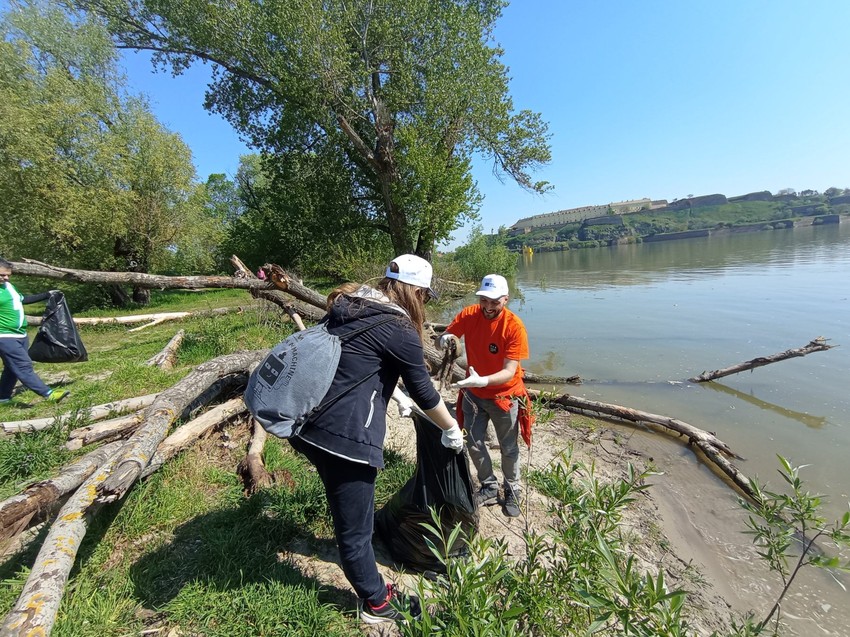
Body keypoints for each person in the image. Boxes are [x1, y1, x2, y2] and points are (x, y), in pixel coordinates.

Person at [289, 254, 463, 625]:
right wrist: (451, 428)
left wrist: (391, 392)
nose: (425, 302)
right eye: (425, 296)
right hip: (342, 438)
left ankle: (366, 574)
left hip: (305, 424)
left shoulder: (351, 305)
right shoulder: (398, 328)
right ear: (415, 290)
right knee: (356, 530)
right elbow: (425, 394)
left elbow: (353, 360)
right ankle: (376, 603)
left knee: (346, 503)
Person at [439, 274, 530, 518]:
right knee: (473, 442)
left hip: (504, 397)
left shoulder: (514, 326)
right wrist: (445, 339)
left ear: (506, 299)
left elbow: (511, 371)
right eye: (484, 300)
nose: (488, 307)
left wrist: (484, 380)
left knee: (509, 447)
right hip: (473, 396)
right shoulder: (469, 314)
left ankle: (512, 488)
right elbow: (448, 336)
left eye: (494, 302)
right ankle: (488, 485)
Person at [0, 257, 70, 404]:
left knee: (11, 368)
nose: (6, 278)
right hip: (5, 336)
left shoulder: (8, 286)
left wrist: (47, 294)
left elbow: (22, 299)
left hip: (20, 335)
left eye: (8, 275)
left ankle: (3, 397)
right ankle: (48, 394)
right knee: (23, 365)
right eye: (2, 275)